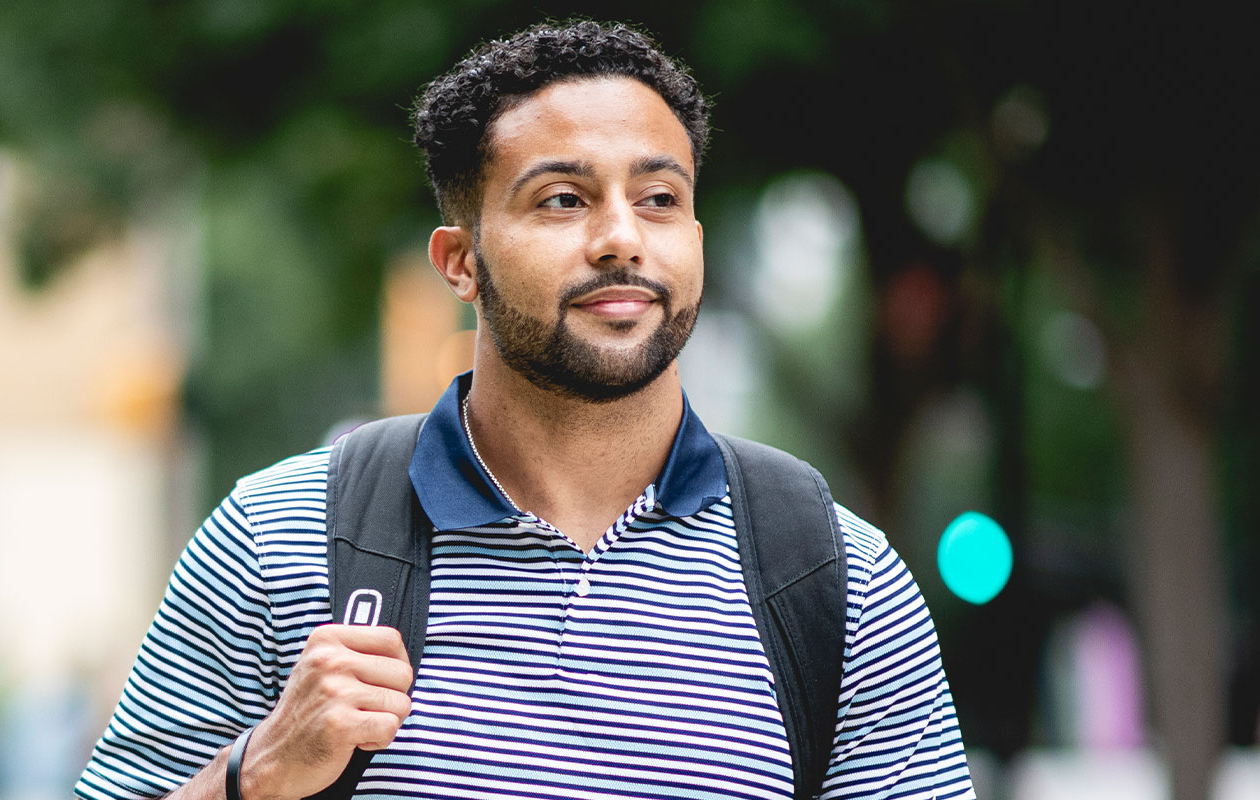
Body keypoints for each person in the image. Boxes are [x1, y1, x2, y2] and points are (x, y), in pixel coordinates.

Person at [73, 19, 973, 800]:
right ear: (460, 262)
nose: (622, 236)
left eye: (660, 200)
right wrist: (258, 774)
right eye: (563, 199)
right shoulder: (279, 538)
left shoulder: (830, 572)